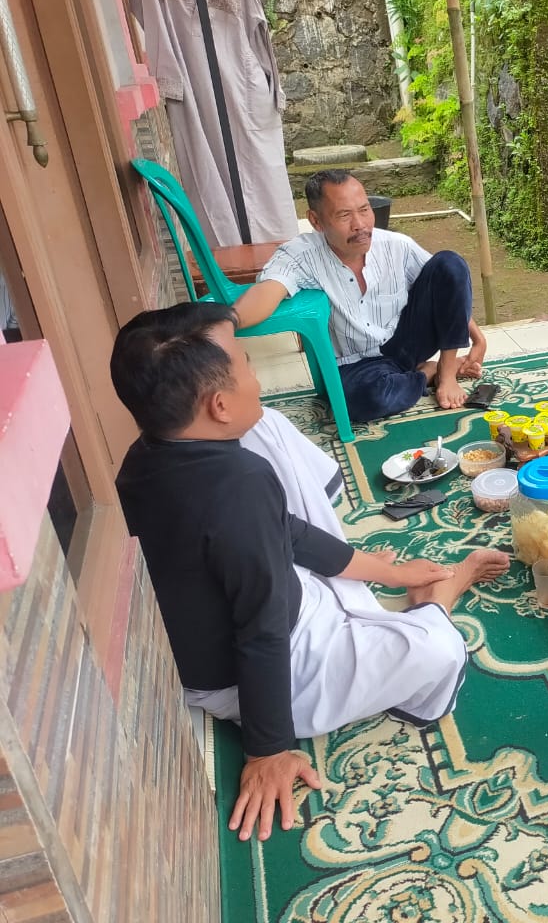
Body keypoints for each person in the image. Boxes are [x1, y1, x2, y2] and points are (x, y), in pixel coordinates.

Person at [111, 302, 510, 843]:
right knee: (439, 652)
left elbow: (290, 534)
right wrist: (268, 748)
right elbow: (261, 627)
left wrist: (386, 574)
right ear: (220, 406)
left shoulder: (144, 459)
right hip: (259, 670)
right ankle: (440, 598)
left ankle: (393, 598)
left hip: (280, 603)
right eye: (246, 365)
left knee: (277, 442)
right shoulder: (238, 483)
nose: (257, 378)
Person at [232, 169, 487, 421]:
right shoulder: (301, 255)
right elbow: (267, 291)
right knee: (362, 401)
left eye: (364, 210)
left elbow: (449, 288)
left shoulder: (396, 245)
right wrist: (228, 322)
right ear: (316, 221)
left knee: (450, 263)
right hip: (356, 362)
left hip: (405, 341)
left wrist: (478, 339)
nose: (360, 225)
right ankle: (428, 373)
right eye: (344, 215)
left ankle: (447, 375)